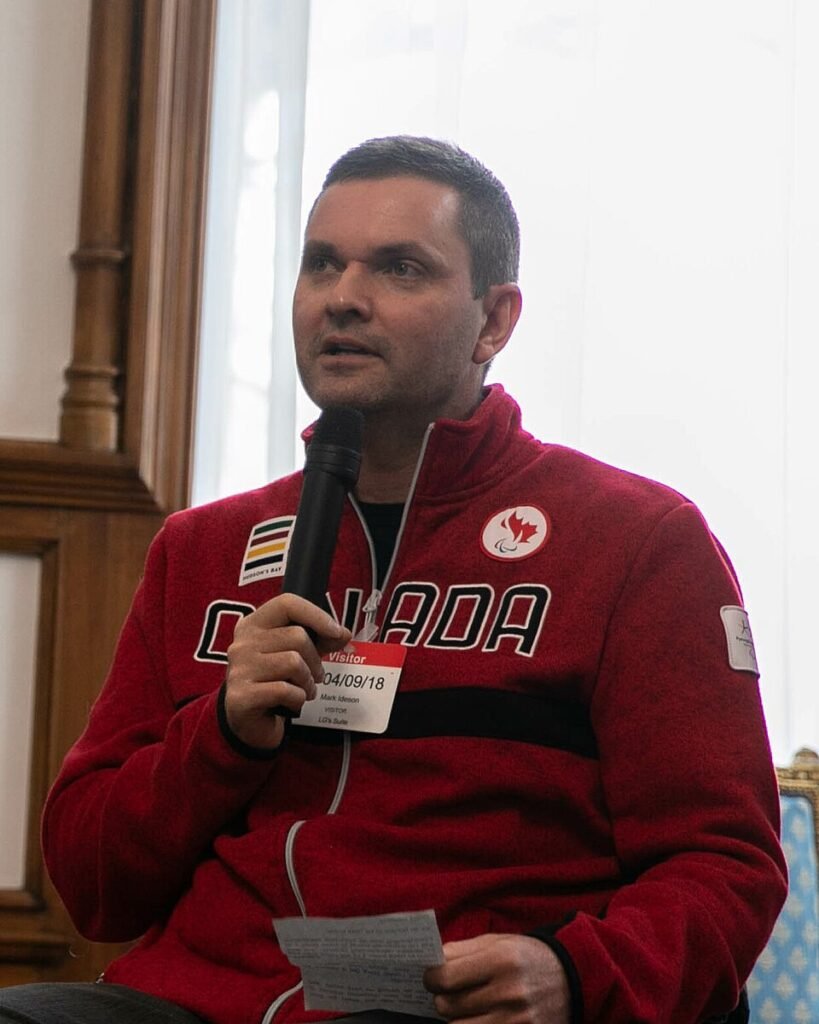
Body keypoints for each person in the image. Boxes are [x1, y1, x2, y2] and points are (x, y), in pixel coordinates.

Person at [0, 136, 785, 1024]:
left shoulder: (636, 541)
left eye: (400, 269)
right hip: (206, 996)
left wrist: (574, 973)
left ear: (494, 321)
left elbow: (725, 867)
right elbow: (94, 885)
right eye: (321, 264)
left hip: (443, 1004)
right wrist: (219, 731)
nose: (343, 297)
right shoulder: (203, 549)